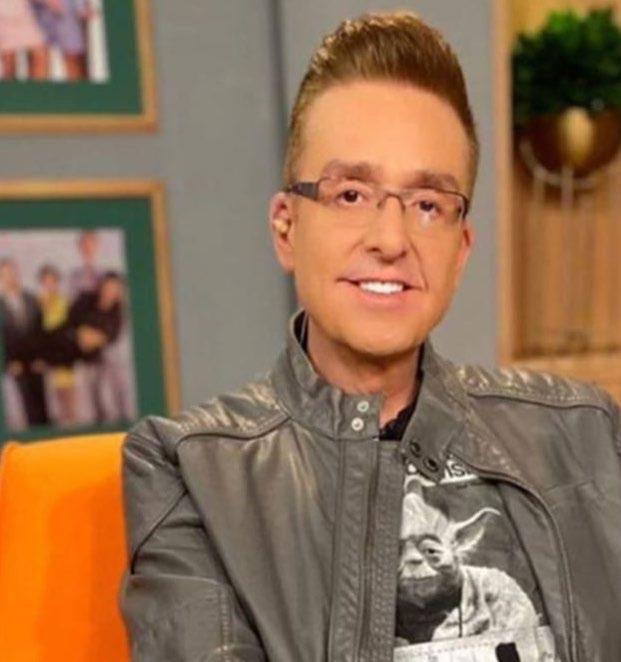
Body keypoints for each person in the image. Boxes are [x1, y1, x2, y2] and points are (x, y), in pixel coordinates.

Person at [120, 11, 621, 662]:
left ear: (460, 249)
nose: (390, 239)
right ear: (286, 227)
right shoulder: (190, 470)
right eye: (351, 195)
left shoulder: (584, 432)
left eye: (428, 204)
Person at [0, 258, 49, 428]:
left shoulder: (31, 299)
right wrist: (9, 362)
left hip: (36, 362)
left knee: (42, 407)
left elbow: (41, 331)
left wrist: (41, 357)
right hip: (15, 364)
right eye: (5, 274)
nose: (10, 277)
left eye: (12, 273)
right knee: (25, 407)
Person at [30, 0, 93, 81]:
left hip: (68, 11)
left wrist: (81, 6)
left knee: (73, 56)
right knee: (39, 59)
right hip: (35, 13)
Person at [0, 0, 48, 80]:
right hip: (4, 16)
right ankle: (9, 88)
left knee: (39, 55)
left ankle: (38, 88)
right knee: (9, 62)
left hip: (30, 15)